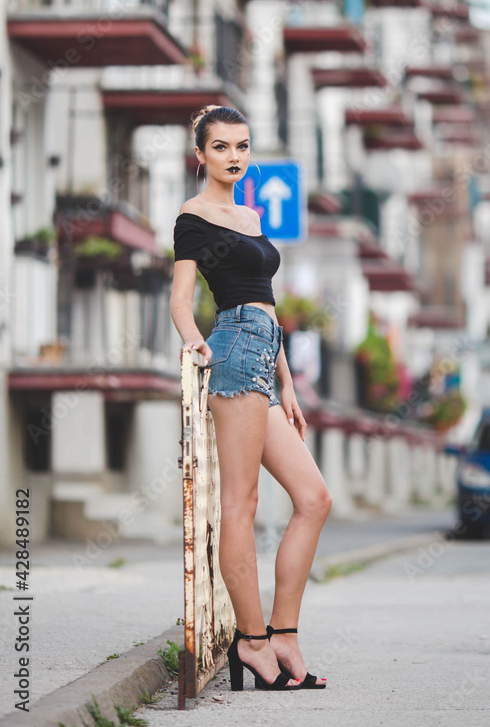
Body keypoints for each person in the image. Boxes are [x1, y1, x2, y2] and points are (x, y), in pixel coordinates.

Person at [170, 104, 332, 692]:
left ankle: (283, 634)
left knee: (313, 498)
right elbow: (182, 302)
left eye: (242, 146)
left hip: (265, 358)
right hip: (233, 350)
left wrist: (287, 382)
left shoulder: (250, 214)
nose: (234, 157)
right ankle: (252, 641)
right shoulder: (194, 218)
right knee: (241, 504)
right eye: (221, 147)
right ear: (201, 155)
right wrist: (196, 346)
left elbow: (266, 298)